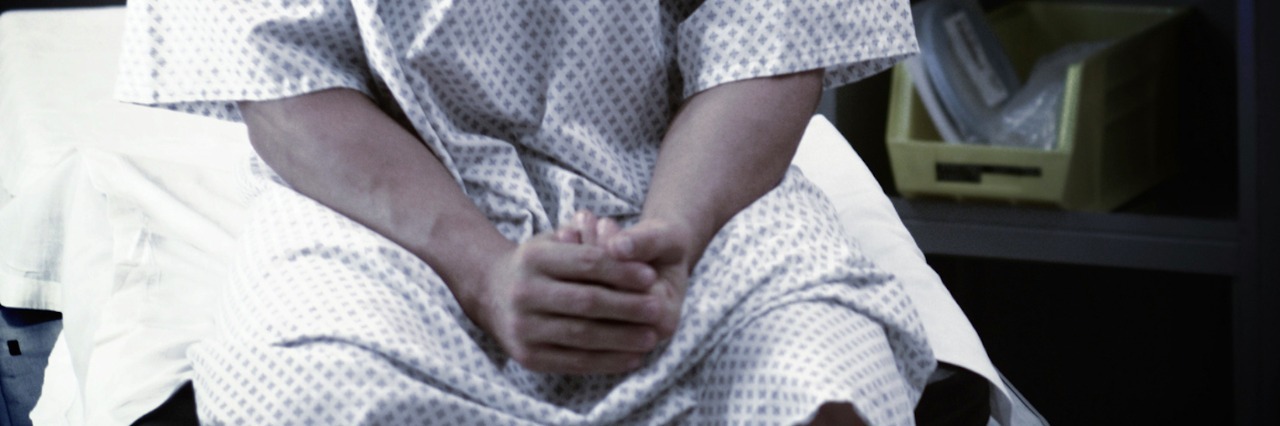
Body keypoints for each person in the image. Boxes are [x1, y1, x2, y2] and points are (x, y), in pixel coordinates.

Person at [116, 0, 934, 424]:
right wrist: (482, 271)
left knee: (827, 384)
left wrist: (670, 242)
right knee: (306, 395)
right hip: (391, 205)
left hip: (686, 177)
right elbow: (277, 71)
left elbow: (772, 37)